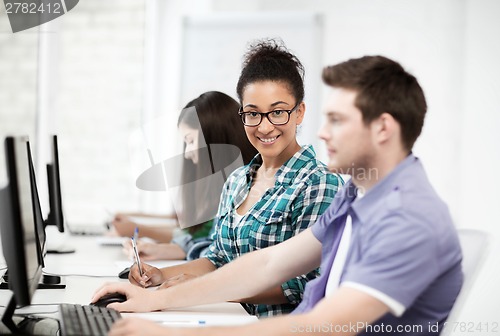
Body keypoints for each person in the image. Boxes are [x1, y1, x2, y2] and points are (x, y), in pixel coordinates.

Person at [94, 55, 463, 336]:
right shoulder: (358, 194)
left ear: (383, 128)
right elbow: (268, 265)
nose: (321, 132)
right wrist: (154, 300)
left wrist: (177, 333)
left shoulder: (408, 217)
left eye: (337, 120)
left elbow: (323, 327)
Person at [111, 39, 341, 317]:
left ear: (299, 112)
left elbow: (306, 284)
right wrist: (161, 274)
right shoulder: (236, 181)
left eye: (278, 112)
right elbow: (218, 259)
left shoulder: (318, 184)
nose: (265, 126)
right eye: (253, 114)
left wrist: (203, 289)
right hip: (227, 315)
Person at [119, 91, 258, 260]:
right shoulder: (227, 185)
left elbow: (213, 249)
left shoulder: (247, 187)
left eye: (190, 141)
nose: (187, 153)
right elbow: (208, 244)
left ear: (213, 138)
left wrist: (140, 229)